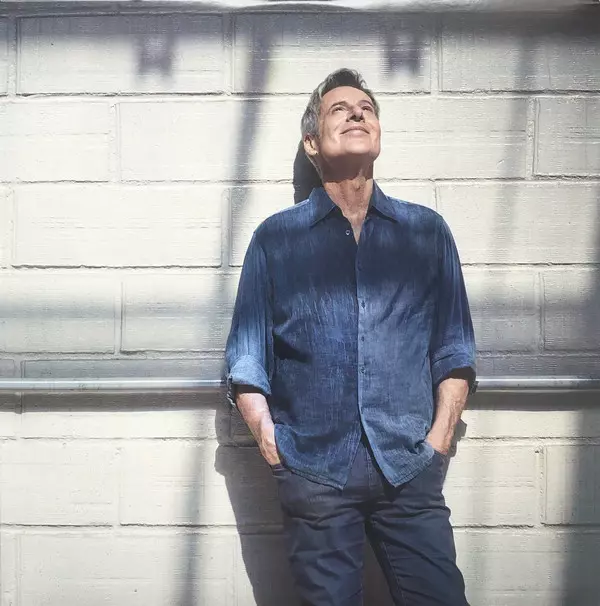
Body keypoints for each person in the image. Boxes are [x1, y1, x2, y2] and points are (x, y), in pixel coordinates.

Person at [225, 68, 476, 606]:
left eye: (366, 108)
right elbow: (247, 358)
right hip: (313, 472)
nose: (357, 112)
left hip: (409, 467)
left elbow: (454, 348)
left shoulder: (426, 232)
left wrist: (437, 442)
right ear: (311, 143)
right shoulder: (276, 239)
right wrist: (274, 446)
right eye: (338, 109)